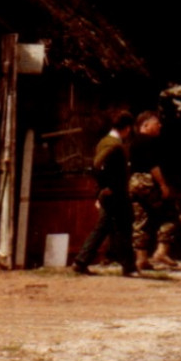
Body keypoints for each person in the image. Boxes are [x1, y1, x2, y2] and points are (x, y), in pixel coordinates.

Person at [73, 111, 137, 276]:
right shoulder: (114, 144)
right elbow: (97, 165)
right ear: (128, 128)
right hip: (115, 192)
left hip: (112, 192)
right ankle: (127, 266)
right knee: (121, 226)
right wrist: (104, 186)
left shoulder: (105, 141)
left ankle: (83, 261)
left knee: (109, 226)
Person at [128, 110, 181, 271]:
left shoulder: (133, 142)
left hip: (134, 183)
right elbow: (153, 166)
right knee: (169, 214)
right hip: (147, 182)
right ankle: (162, 251)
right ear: (145, 125)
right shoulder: (149, 142)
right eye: (156, 123)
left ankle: (141, 259)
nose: (160, 125)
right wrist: (163, 185)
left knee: (140, 219)